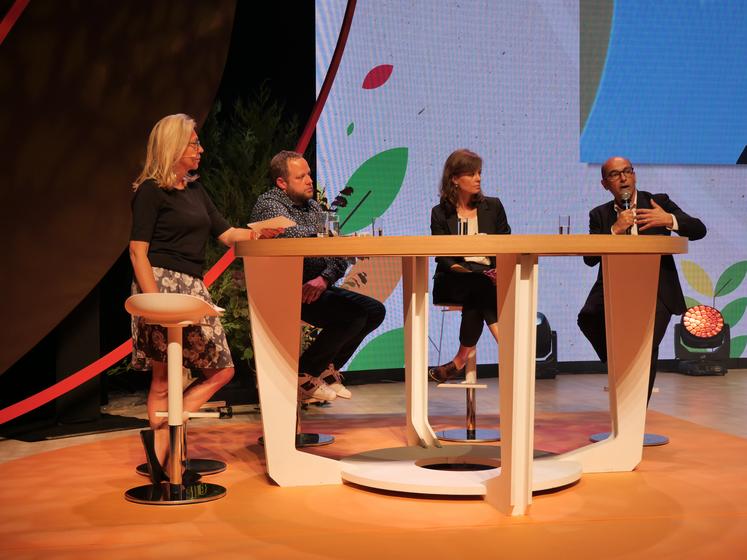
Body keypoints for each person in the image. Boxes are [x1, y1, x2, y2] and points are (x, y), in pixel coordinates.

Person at [129, 113, 281, 483]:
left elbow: (228, 233)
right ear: (174, 147)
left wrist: (261, 232)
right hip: (161, 285)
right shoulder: (151, 190)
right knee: (164, 380)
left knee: (222, 369)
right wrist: (154, 304)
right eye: (194, 143)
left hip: (194, 288)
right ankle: (168, 464)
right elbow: (137, 251)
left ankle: (167, 435)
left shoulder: (196, 190)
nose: (201, 149)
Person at [249, 150, 386, 402]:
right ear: (282, 182)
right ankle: (304, 373)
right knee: (351, 316)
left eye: (309, 174)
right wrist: (325, 235)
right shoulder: (269, 205)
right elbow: (291, 236)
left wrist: (323, 279)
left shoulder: (316, 207)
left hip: (316, 286)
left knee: (375, 311)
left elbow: (339, 253)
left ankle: (322, 369)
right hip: (284, 290)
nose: (309, 180)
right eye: (301, 177)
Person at [577, 156, 707, 403]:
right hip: (615, 285)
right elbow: (590, 258)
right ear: (605, 184)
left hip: (657, 287)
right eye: (615, 174)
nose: (623, 178)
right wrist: (614, 230)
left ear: (634, 175)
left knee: (647, 348)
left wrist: (669, 220)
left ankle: (636, 414)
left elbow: (699, 229)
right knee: (588, 317)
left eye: (627, 171)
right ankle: (619, 362)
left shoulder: (658, 202)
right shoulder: (600, 214)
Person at [429, 149, 511, 382]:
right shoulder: (440, 213)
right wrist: (474, 273)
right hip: (454, 279)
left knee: (478, 294)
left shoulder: (493, 207)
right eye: (472, 173)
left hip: (488, 279)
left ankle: (459, 360)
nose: (478, 178)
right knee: (479, 284)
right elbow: (442, 257)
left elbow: (506, 242)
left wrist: (496, 271)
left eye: (480, 173)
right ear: (454, 178)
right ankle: (507, 347)